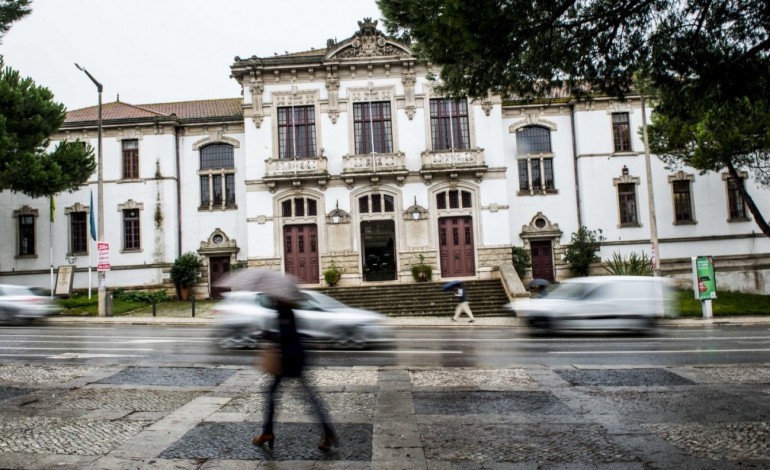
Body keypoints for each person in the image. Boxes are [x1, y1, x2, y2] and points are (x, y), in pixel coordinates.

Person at [252, 300, 337, 451]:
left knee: (274, 394)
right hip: (295, 358)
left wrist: (267, 334)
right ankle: (327, 431)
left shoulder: (283, 312)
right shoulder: (286, 310)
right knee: (308, 397)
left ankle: (267, 432)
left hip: (289, 361)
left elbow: (286, 336)